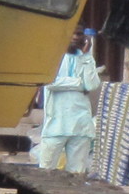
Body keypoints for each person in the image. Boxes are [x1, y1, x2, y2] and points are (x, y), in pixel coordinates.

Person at [36, 28, 103, 174]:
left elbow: (92, 85)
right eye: (70, 33)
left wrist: (87, 56)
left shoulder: (85, 58)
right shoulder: (52, 57)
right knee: (45, 173)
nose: (74, 37)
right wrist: (79, 84)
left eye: (78, 34)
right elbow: (49, 82)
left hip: (80, 125)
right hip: (55, 125)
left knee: (76, 175)